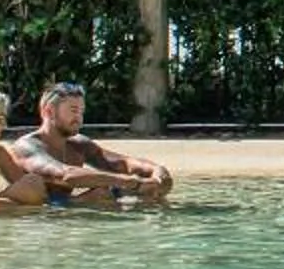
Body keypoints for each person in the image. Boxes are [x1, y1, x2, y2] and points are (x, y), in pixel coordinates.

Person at [12, 82, 175, 203]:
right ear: (48, 112)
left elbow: (123, 163)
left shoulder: (79, 144)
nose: (79, 118)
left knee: (149, 195)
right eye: (74, 111)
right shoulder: (27, 146)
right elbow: (65, 175)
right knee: (106, 193)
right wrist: (132, 183)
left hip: (65, 217)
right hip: (36, 220)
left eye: (82, 112)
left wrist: (156, 171)